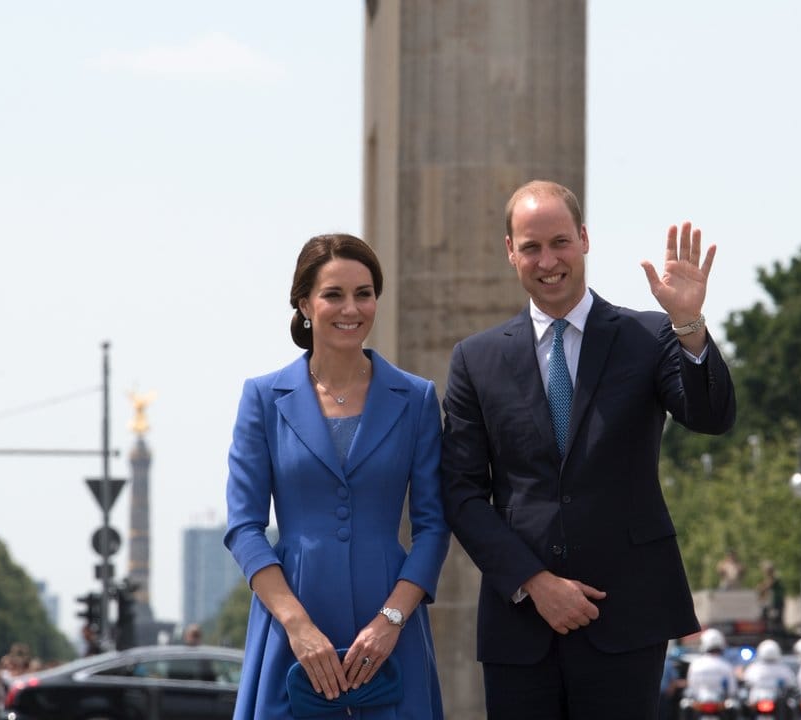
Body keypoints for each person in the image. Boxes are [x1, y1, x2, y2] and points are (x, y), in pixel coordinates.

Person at [441, 180, 737, 718]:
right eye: (530, 247)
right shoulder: (475, 360)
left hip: (627, 617)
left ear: (583, 239)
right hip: (520, 625)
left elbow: (712, 417)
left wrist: (690, 326)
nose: (547, 260)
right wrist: (534, 583)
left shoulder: (650, 336)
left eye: (559, 242)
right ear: (511, 252)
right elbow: (461, 494)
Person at [224, 233, 450, 719]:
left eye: (364, 293)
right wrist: (296, 625)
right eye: (334, 294)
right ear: (305, 303)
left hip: (390, 630)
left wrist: (392, 619)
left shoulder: (417, 399)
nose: (351, 308)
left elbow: (433, 526)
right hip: (291, 625)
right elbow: (244, 527)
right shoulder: (263, 399)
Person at [683, 629, 738, 704]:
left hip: (701, 702)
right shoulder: (725, 665)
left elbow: (691, 686)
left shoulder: (695, 664)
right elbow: (732, 690)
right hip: (719, 704)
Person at [755, 561, 785, 630]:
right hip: (770, 602)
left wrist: (760, 587)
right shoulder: (767, 578)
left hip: (776, 602)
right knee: (765, 616)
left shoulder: (775, 577)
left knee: (776, 619)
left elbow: (768, 586)